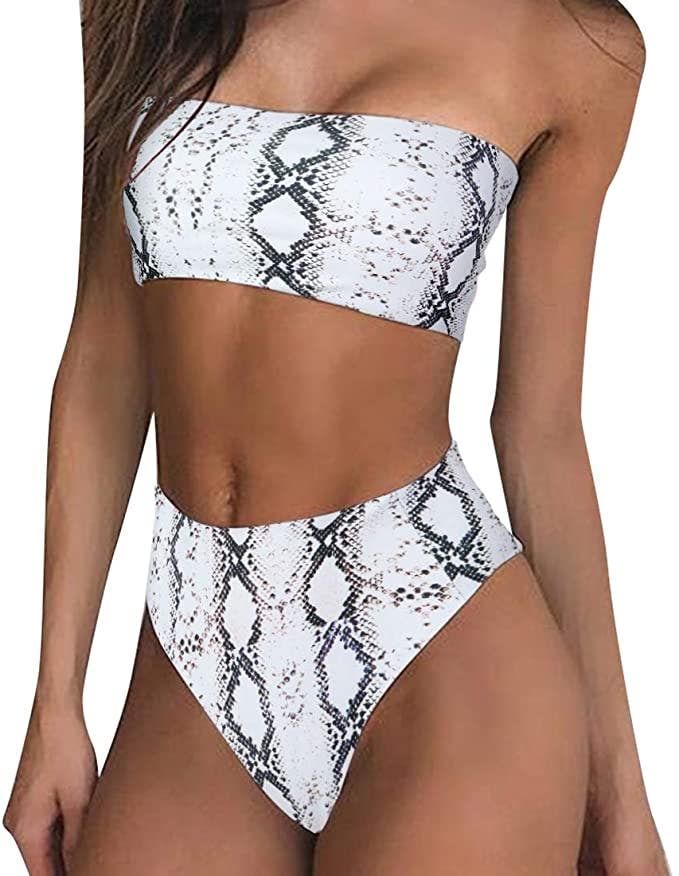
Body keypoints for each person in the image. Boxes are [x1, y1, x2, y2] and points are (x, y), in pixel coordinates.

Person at [4, 0, 669, 873]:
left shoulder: (574, 45)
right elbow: (102, 364)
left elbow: (539, 428)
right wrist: (54, 699)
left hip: (438, 644)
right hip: (193, 643)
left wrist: (618, 791)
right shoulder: (149, 14)